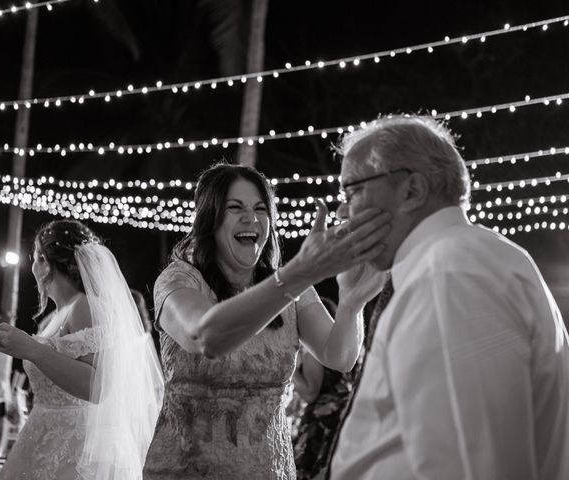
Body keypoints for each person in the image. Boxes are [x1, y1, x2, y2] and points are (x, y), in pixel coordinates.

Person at [330, 115, 569, 479]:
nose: (343, 212)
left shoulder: (450, 275)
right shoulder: (462, 259)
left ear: (412, 191)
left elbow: (478, 466)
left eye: (353, 190)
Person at [144, 162, 391, 479]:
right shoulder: (179, 281)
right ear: (211, 219)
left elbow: (339, 357)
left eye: (261, 208)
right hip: (186, 469)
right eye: (235, 207)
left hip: (268, 469)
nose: (251, 217)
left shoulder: (295, 289)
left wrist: (352, 301)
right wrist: (299, 273)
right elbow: (205, 336)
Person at [0, 219, 163, 480]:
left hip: (74, 448)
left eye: (36, 257)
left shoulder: (84, 306)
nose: (33, 266)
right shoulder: (54, 317)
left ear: (47, 263)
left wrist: (31, 349)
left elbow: (97, 387)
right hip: (41, 432)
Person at [291, 297, 377, 480]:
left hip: (323, 419)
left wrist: (287, 369)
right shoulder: (353, 347)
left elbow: (310, 392)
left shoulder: (316, 349)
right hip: (348, 415)